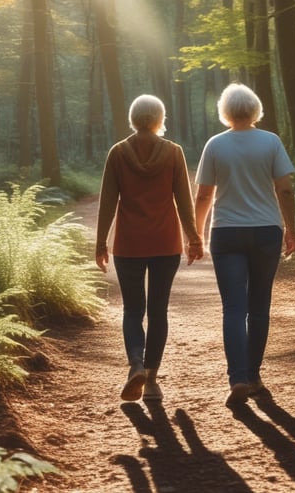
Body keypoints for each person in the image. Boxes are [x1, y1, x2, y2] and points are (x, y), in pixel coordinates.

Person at [194, 82, 295, 407]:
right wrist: (291, 229)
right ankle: (253, 376)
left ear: (225, 111)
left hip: (227, 233)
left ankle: (237, 377)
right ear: (255, 109)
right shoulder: (271, 141)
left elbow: (203, 195)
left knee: (234, 309)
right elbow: (285, 190)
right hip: (266, 231)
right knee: (259, 306)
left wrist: (196, 233)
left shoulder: (215, 145)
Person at [96, 94, 204, 403]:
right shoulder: (173, 152)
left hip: (128, 244)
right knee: (158, 311)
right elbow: (184, 198)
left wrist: (101, 242)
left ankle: (136, 366)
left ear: (132, 118)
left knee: (132, 309)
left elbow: (107, 202)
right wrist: (193, 238)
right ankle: (152, 379)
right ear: (160, 118)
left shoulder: (117, 153)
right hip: (165, 243)